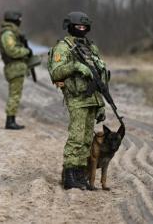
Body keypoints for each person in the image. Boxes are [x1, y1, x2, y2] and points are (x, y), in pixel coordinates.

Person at [47, 11, 109, 190]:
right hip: (76, 98)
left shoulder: (91, 47)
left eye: (84, 26)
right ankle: (69, 175)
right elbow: (56, 72)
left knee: (87, 140)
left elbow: (99, 76)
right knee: (76, 137)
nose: (81, 29)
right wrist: (76, 66)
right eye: (78, 26)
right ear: (70, 26)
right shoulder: (63, 47)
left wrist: (101, 105)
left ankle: (81, 174)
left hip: (92, 99)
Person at [0, 10, 32, 130]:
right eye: (19, 19)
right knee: (14, 95)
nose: (20, 21)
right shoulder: (8, 34)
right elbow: (11, 51)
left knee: (15, 94)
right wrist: (26, 51)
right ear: (14, 19)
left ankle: (11, 119)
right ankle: (10, 121)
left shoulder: (12, 33)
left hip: (16, 67)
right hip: (14, 68)